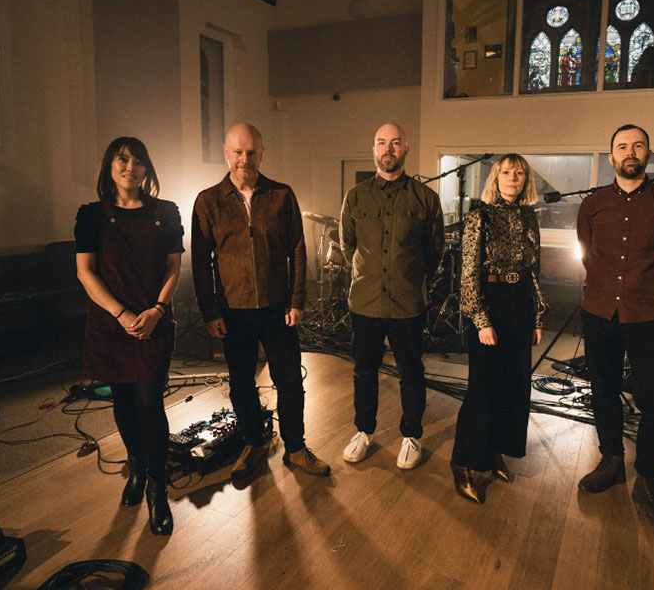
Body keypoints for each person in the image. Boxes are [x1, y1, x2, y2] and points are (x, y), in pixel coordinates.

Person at [191, 123, 329, 480]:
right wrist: (210, 310)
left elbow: (298, 250)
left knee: (290, 382)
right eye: (238, 152)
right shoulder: (208, 201)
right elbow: (200, 262)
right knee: (241, 383)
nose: (245, 159)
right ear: (226, 153)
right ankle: (253, 443)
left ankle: (295, 448)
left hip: (277, 308)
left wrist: (297, 300)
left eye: (251, 152)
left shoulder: (282, 195)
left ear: (262, 154)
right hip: (232, 312)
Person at [576, 124, 654, 528]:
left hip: (648, 314)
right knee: (603, 391)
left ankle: (647, 480)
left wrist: (648, 289)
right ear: (611, 157)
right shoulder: (592, 205)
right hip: (599, 312)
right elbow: (587, 253)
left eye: (637, 145)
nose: (630, 152)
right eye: (622, 146)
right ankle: (611, 461)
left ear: (648, 154)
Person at [75, 137, 183, 536]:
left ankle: (157, 487)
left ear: (146, 169)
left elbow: (174, 268)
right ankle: (135, 466)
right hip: (111, 321)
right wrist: (121, 314)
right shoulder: (91, 215)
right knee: (122, 397)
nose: (130, 167)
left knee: (149, 399)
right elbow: (86, 272)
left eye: (138, 161)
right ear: (110, 166)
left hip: (153, 319)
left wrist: (157, 309)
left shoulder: (166, 212)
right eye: (122, 160)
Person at [339, 123, 444, 469]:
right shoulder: (355, 196)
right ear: (374, 150)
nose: (388, 149)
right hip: (365, 302)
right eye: (382, 143)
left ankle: (411, 435)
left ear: (405, 150)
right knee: (363, 370)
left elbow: (435, 251)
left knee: (411, 372)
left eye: (395, 143)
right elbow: (348, 245)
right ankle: (364, 431)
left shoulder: (425, 198)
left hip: (407, 303)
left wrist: (410, 278)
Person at [450, 155, 547, 504]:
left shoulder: (529, 216)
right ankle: (463, 462)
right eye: (506, 172)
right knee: (483, 389)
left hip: (520, 302)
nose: (513, 177)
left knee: (514, 387)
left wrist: (537, 317)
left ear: (525, 180)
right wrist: (481, 319)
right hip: (491, 301)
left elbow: (534, 270)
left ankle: (494, 451)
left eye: (519, 172)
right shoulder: (480, 216)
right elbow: (468, 272)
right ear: (496, 177)